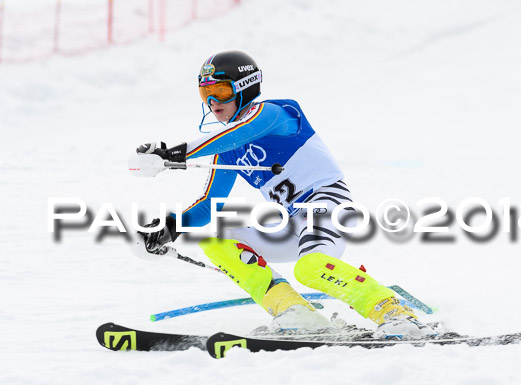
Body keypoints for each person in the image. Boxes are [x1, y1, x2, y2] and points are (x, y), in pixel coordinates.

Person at [133, 50, 434, 338]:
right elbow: (209, 205)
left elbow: (240, 131)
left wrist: (173, 154)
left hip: (327, 205)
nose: (213, 101)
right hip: (291, 222)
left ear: (245, 88)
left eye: (222, 91)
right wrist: (169, 227)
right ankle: (294, 311)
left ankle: (394, 312)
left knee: (310, 268)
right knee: (216, 241)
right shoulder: (225, 149)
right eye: (205, 94)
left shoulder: (274, 113)